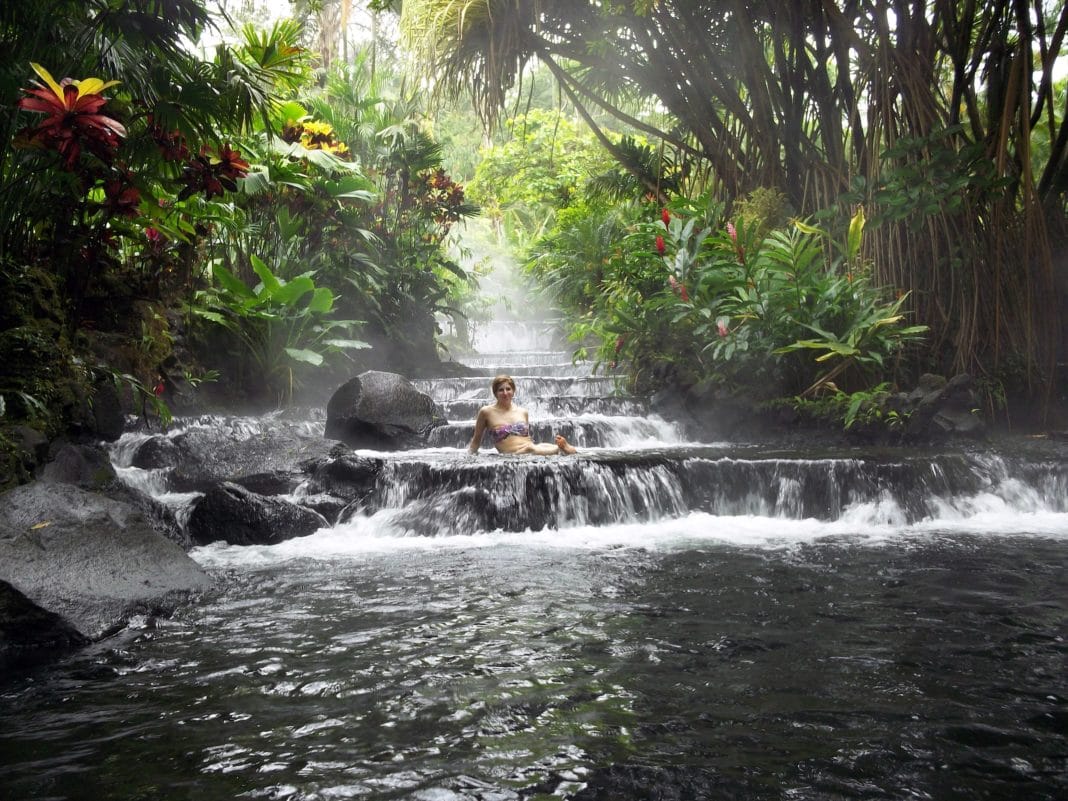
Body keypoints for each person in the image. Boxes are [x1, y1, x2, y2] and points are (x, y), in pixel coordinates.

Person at [468, 374, 577, 456]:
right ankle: (562, 449)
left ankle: (563, 447)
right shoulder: (486, 412)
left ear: (513, 391)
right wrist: (469, 458)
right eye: (501, 390)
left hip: (529, 449)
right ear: (495, 393)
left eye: (508, 389)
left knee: (540, 445)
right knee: (530, 449)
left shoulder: (522, 411)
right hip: (512, 454)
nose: (505, 393)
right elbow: (476, 441)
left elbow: (526, 438)